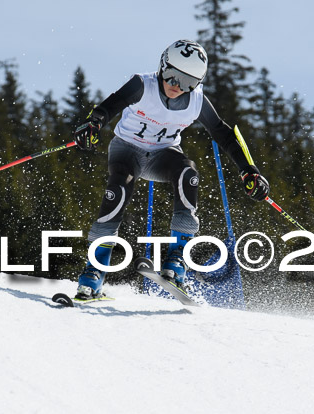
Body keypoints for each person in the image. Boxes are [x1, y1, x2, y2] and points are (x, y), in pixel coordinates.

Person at [72, 39, 269, 299]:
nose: (177, 87)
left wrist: (249, 170)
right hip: (126, 150)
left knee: (188, 173)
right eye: (173, 77)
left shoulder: (196, 101)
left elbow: (223, 134)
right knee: (118, 188)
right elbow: (109, 106)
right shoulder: (143, 85)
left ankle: (176, 262)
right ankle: (93, 273)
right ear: (163, 66)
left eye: (188, 82)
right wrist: (93, 124)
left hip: (162, 156)